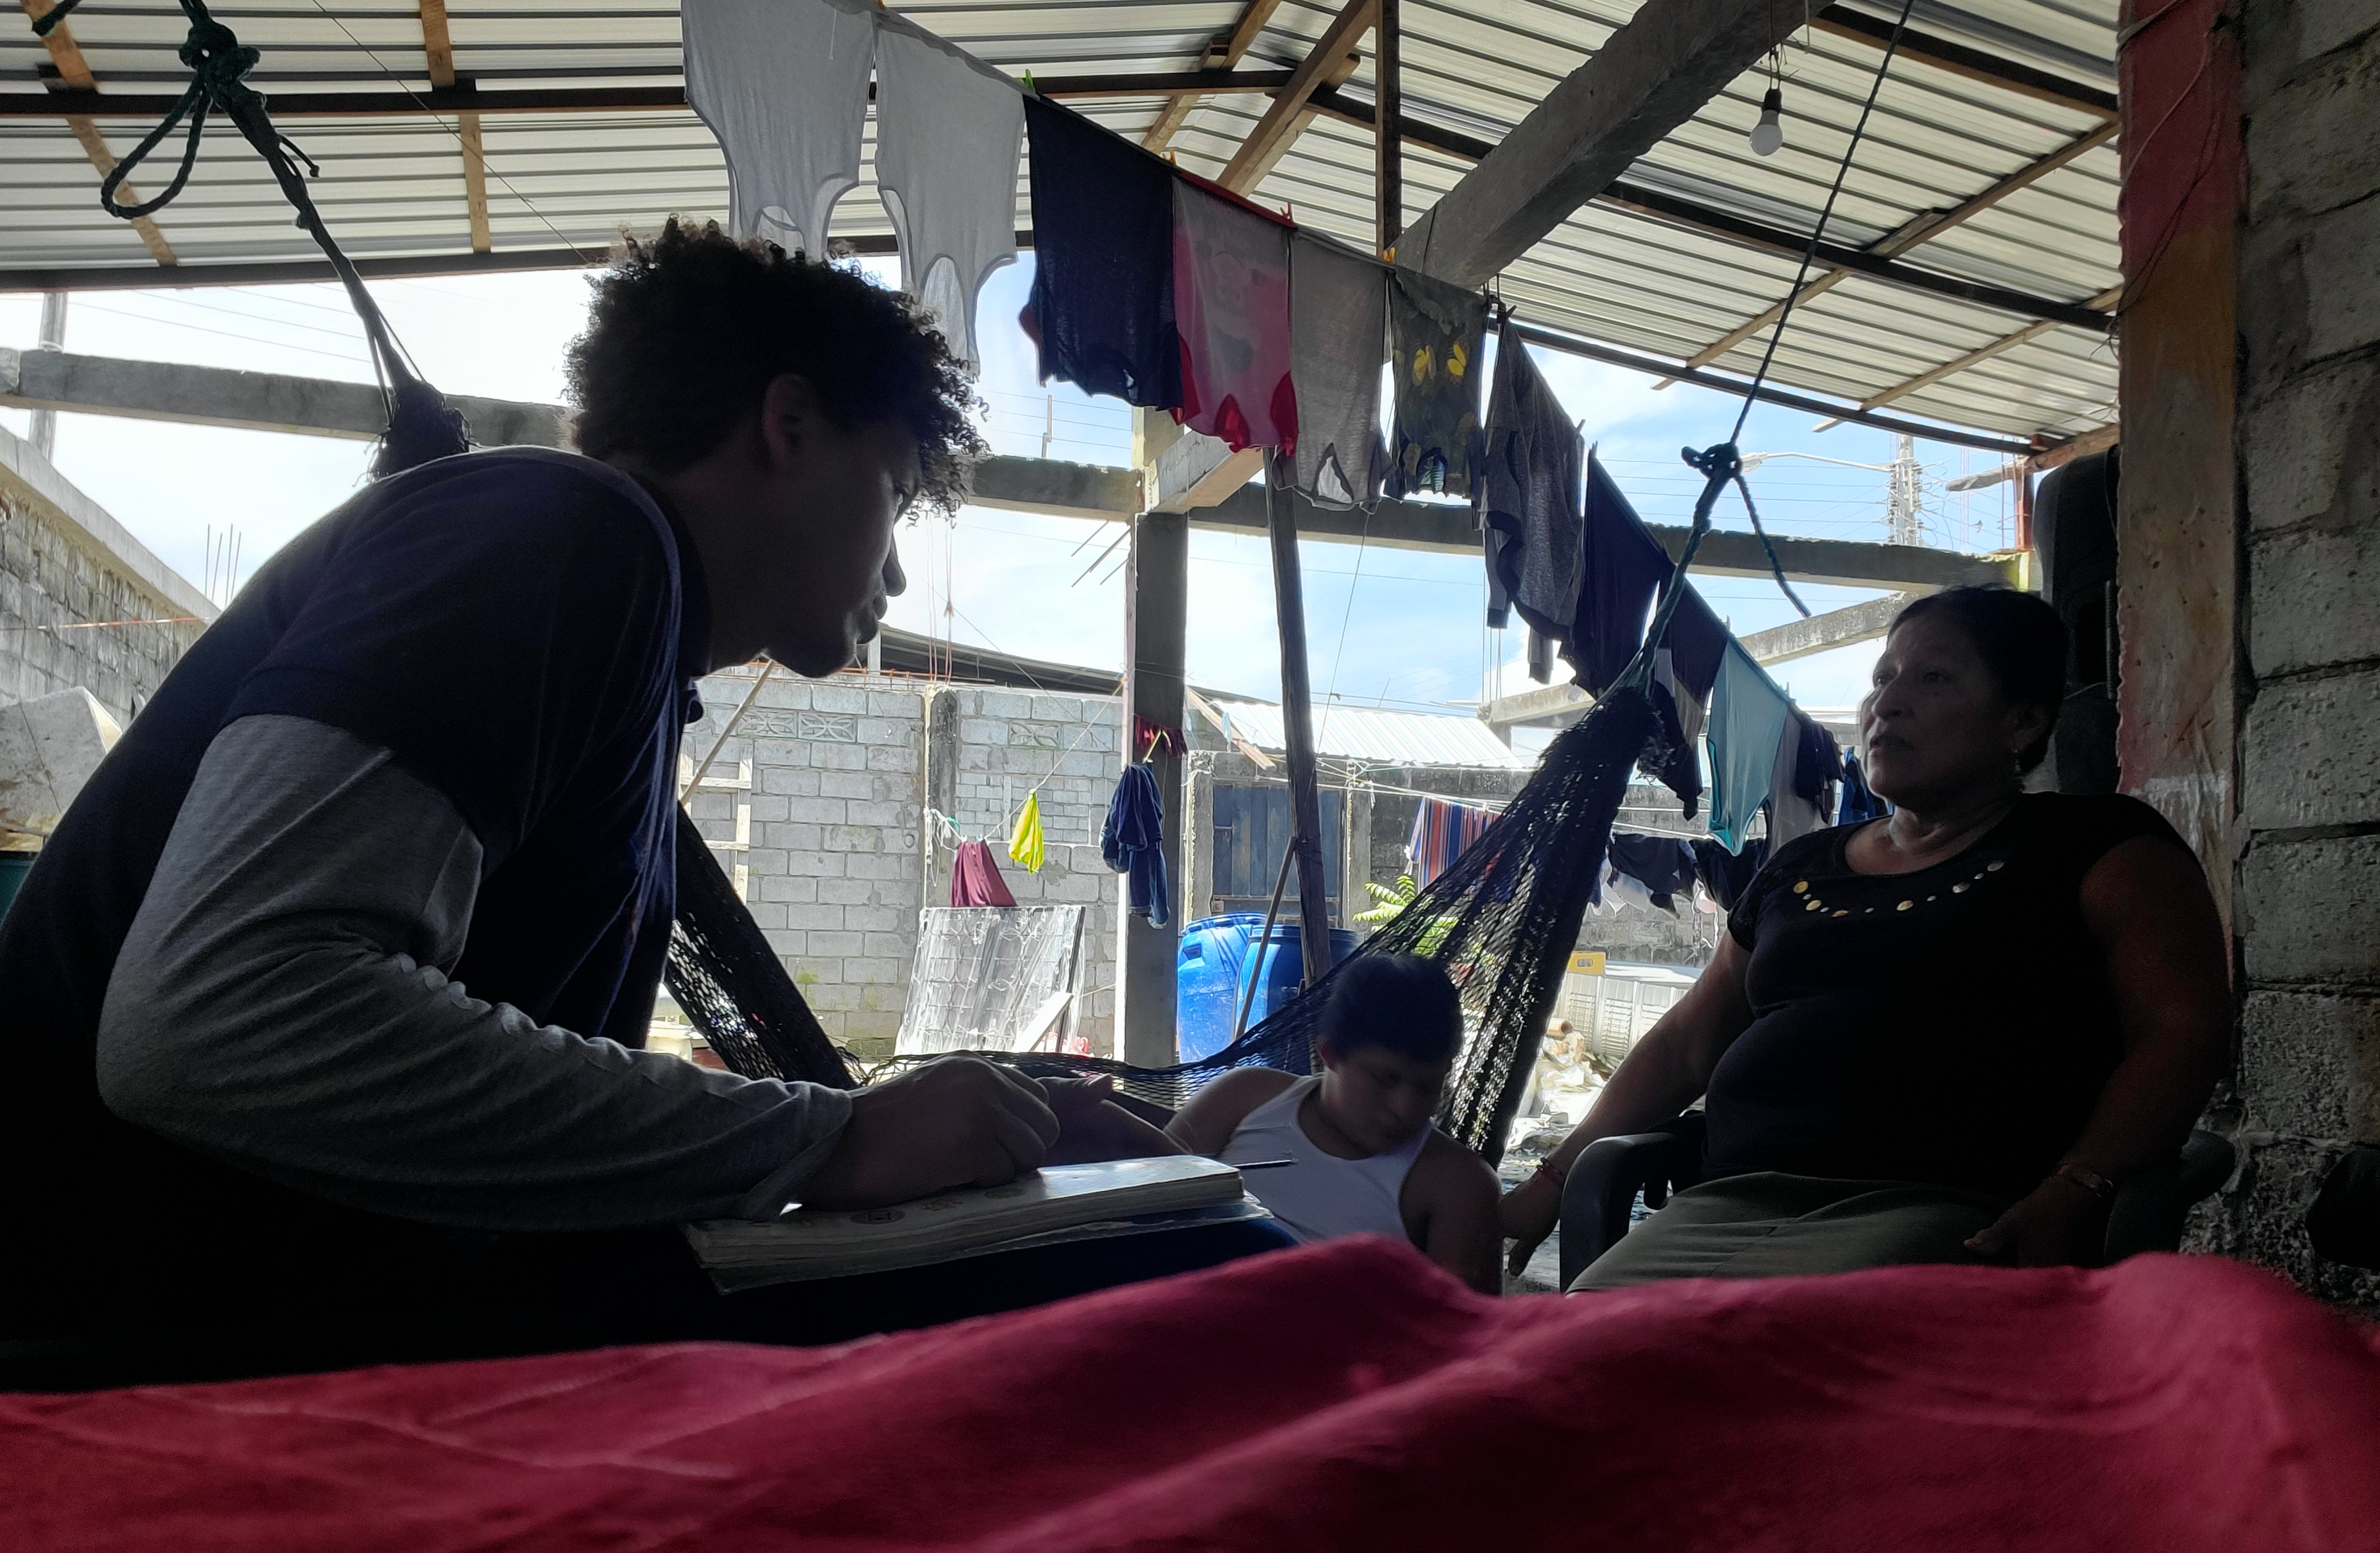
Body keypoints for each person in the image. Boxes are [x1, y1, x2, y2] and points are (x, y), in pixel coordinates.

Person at [0, 220, 1268, 1376]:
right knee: (1193, 1295)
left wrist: (903, 1130)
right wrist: (827, 1140)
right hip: (106, 1360)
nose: (893, 575)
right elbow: (218, 1020)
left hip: (238, 1342)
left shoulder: (619, 644)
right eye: (893, 497)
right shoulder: (564, 532)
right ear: (788, 424)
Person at [1501, 585, 2230, 1289]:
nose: (1888, 702)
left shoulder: (2097, 847)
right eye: (1883, 679)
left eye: (1933, 677)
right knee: (1583, 1343)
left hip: (1942, 1208)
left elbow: (2180, 1035)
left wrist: (2076, 1186)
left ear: (2022, 722)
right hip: (1724, 1203)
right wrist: (1552, 1180)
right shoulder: (1801, 866)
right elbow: (1688, 1043)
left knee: (1742, 1351)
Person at [1158, 954, 1503, 1292]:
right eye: (1384, 1080)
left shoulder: (1456, 1184)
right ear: (1330, 1053)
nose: (1406, 1109)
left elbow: (1467, 1323)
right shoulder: (1246, 1096)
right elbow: (1147, 1196)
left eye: (1427, 1086)